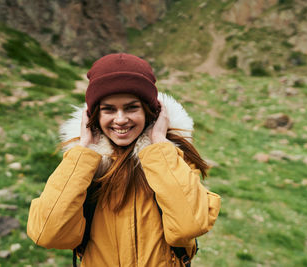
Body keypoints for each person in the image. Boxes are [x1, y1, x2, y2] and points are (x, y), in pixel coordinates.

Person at [27, 53, 221, 266]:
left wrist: (158, 144)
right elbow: (48, 234)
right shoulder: (83, 164)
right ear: (93, 116)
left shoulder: (172, 159)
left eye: (131, 108)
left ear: (150, 112)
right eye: (108, 109)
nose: (120, 120)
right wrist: (83, 150)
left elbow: (190, 225)